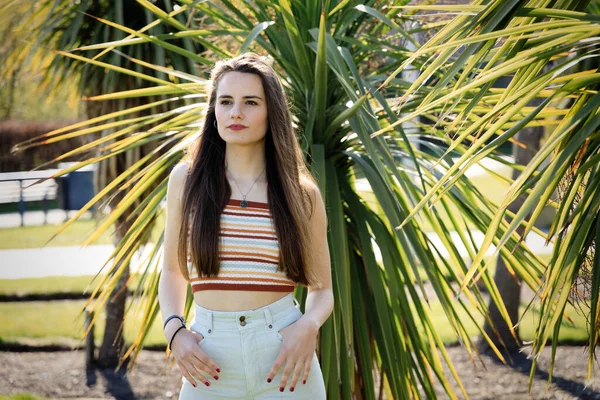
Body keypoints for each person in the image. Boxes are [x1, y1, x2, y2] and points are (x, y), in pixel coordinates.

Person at [158, 52, 333, 399]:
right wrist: (175, 332)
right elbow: (173, 273)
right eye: (225, 101)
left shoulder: (303, 195)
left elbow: (322, 290)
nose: (235, 112)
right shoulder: (186, 181)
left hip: (284, 360)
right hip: (209, 361)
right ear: (214, 112)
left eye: (250, 102)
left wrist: (308, 326)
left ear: (272, 113)